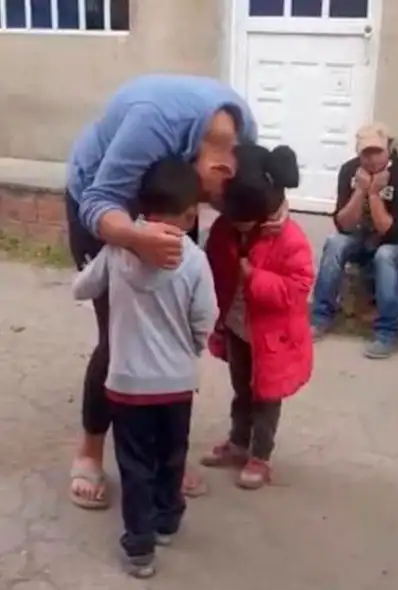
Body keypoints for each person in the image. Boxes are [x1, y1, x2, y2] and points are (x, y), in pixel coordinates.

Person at [64, 73, 267, 509]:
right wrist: (135, 238)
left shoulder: (243, 132)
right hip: (102, 197)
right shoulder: (152, 123)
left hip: (170, 197)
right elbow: (98, 201)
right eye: (210, 203)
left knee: (170, 329)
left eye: (202, 210)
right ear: (215, 169)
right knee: (118, 334)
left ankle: (165, 458)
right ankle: (90, 452)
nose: (204, 214)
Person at [70, 158, 217, 579]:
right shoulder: (195, 260)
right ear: (190, 214)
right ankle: (167, 520)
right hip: (176, 384)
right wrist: (189, 349)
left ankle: (140, 548)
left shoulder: (118, 250)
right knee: (172, 455)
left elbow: (82, 288)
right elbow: (205, 317)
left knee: (134, 466)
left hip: (127, 386)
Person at [202, 143, 315, 490]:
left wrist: (254, 278)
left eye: (245, 223)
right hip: (238, 327)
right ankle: (238, 443)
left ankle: (261, 456)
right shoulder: (226, 229)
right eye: (234, 221)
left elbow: (298, 287)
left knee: (266, 396)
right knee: (242, 389)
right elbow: (212, 265)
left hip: (272, 337)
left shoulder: (289, 238)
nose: (239, 228)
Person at [310, 122, 398, 359]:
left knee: (385, 256)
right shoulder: (350, 171)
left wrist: (374, 194)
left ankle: (388, 333)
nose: (372, 159)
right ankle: (320, 318)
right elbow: (343, 224)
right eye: (366, 153)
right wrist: (360, 191)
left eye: (377, 151)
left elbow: (393, 233)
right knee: (334, 243)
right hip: (364, 237)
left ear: (389, 148)